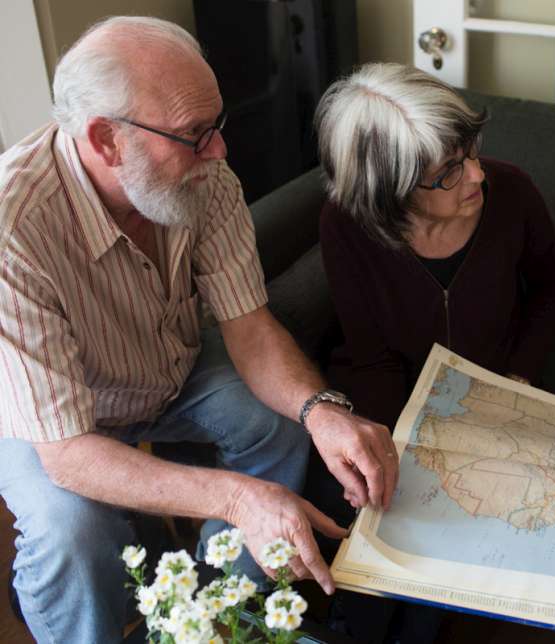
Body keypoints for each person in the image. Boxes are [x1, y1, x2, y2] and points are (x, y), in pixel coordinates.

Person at [0, 17, 398, 643]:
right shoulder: (12, 231)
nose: (219, 152)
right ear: (105, 139)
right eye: (193, 134)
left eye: (217, 125)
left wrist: (321, 411)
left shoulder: (203, 178)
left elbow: (250, 326)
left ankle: (209, 622)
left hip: (169, 365)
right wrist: (239, 499)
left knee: (282, 426)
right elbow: (69, 454)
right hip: (57, 418)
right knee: (73, 533)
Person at [313, 63, 555, 642]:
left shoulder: (514, 193)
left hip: (497, 393)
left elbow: (553, 284)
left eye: (470, 152)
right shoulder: (346, 224)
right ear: (390, 192)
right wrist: (395, 442)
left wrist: (517, 381)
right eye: (450, 171)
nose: (477, 175)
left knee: (444, 567)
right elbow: (370, 353)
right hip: (396, 395)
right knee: (384, 517)